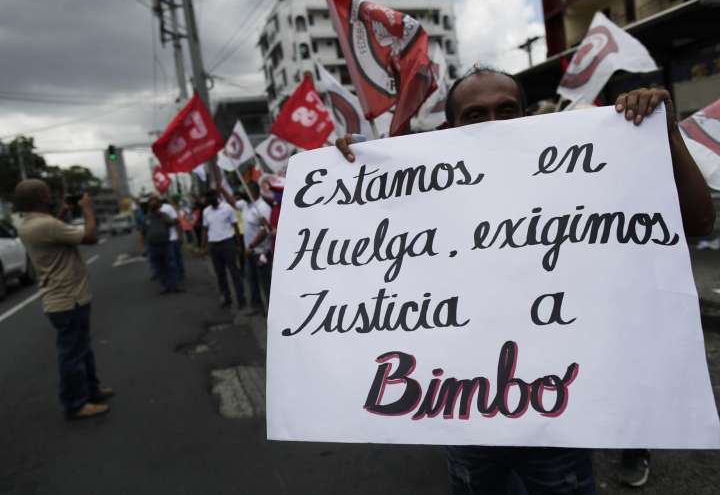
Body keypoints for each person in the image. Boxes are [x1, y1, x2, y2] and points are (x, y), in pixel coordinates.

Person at [336, 65, 714, 494]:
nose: (494, 123)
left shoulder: (577, 175)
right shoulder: (426, 189)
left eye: (507, 109)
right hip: (466, 416)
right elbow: (362, 242)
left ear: (529, 116)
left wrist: (664, 135)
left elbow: (698, 220)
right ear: (449, 127)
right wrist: (351, 166)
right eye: (476, 115)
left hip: (557, 411)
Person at [14, 180, 113, 420]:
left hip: (68, 297)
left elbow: (55, 233)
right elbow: (90, 237)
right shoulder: (45, 225)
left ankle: (92, 390)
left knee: (83, 348)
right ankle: (76, 403)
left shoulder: (32, 223)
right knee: (72, 354)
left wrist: (62, 213)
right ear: (40, 199)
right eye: (48, 194)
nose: (52, 196)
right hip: (67, 299)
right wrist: (87, 209)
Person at [219, 183, 274, 315]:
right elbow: (233, 203)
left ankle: (272, 310)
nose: (244, 194)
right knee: (252, 280)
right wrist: (222, 190)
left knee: (265, 281)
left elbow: (265, 231)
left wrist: (251, 245)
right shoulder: (246, 205)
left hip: (261, 252)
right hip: (250, 252)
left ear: (254, 192)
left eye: (247, 191)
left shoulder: (262, 208)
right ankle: (257, 307)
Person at [201, 189, 246, 309]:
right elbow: (205, 229)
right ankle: (226, 297)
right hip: (213, 245)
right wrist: (203, 246)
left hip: (227, 243)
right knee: (220, 273)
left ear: (217, 196)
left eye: (212, 196)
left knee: (234, 272)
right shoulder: (206, 211)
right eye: (208, 197)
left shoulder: (227, 208)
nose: (210, 199)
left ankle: (241, 298)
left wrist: (238, 245)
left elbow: (235, 226)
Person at [146, 195, 181, 294]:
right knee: (159, 267)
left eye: (155, 204)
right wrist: (144, 247)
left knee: (171, 265)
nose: (154, 207)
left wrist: (162, 216)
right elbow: (143, 232)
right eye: (152, 204)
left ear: (159, 206)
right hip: (153, 246)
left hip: (166, 244)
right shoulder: (147, 217)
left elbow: (173, 222)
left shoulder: (164, 215)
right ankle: (164, 286)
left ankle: (174, 285)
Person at [160, 197, 184, 284]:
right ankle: (175, 276)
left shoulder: (167, 208)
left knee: (175, 258)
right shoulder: (156, 211)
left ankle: (179, 275)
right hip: (165, 239)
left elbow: (177, 221)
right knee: (171, 260)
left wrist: (180, 236)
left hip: (173, 238)